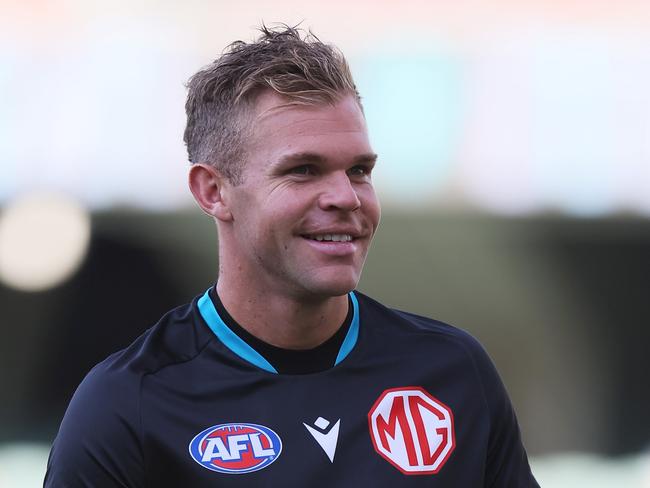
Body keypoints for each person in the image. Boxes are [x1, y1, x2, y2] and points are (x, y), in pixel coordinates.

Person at [44, 25, 539, 487]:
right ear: (213, 191)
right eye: (304, 170)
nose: (346, 197)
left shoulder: (452, 371)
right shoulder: (129, 405)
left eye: (360, 171)